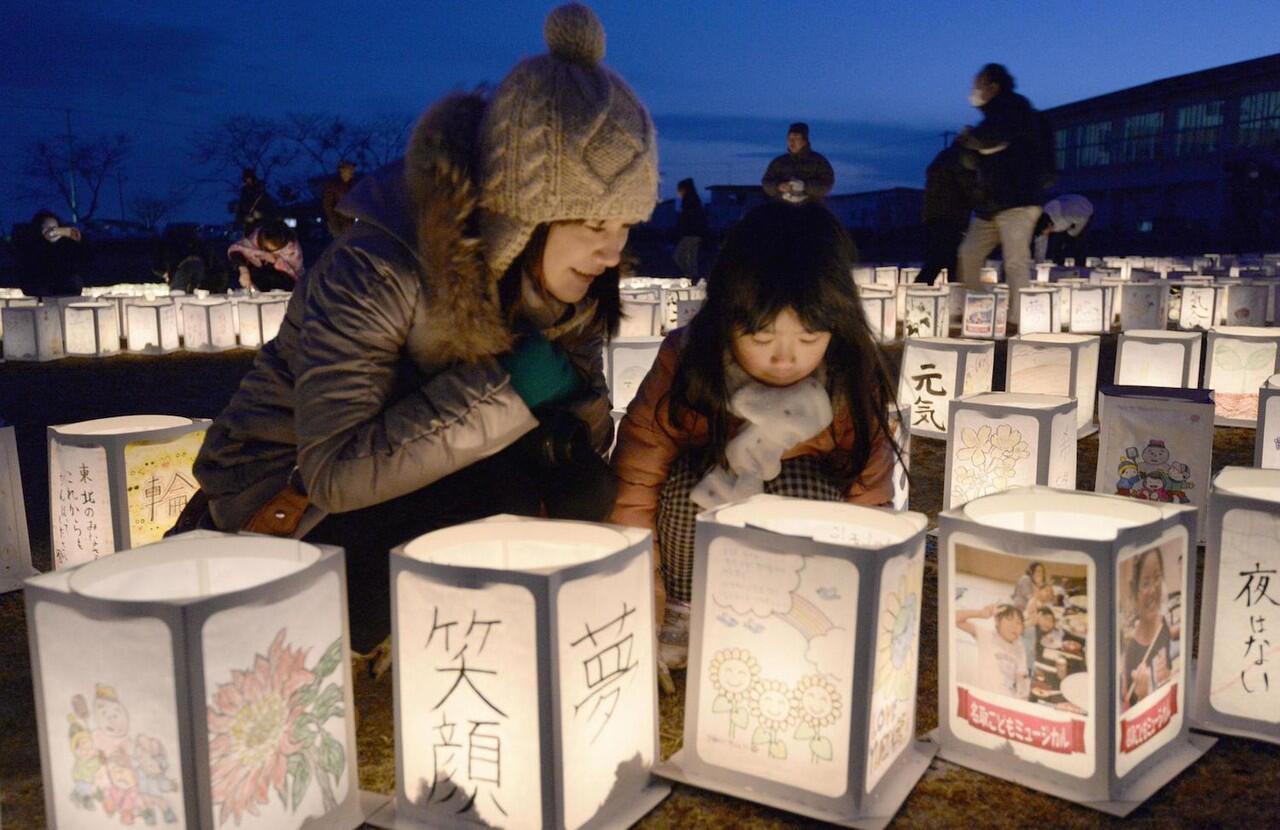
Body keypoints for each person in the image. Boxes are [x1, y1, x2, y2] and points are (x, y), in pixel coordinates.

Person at [186, 3, 657, 655]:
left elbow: (579, 437)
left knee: (572, 493)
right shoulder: (377, 269)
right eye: (594, 225)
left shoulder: (566, 285)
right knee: (497, 504)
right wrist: (512, 392)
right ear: (520, 215)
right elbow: (332, 471)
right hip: (284, 492)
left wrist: (570, 418)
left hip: (421, 479)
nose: (613, 252)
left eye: (626, 225)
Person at [609, 200, 898, 674]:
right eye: (762, 339)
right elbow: (636, 478)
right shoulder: (686, 363)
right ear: (725, 320)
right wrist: (643, 596)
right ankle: (686, 610)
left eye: (809, 339)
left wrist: (865, 597)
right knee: (690, 479)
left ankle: (796, 616)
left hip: (801, 557)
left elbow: (870, 492)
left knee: (803, 486)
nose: (785, 359)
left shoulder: (848, 378)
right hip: (697, 538)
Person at [956, 64, 1052, 324]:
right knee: (969, 253)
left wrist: (971, 140)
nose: (973, 92)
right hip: (990, 204)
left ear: (993, 87)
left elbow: (992, 141)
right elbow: (977, 158)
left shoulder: (1013, 109)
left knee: (1015, 261)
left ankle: (1020, 320)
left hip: (1018, 201)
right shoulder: (991, 119)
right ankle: (978, 309)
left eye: (978, 85)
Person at [916, 138, 976, 284]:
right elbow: (968, 188)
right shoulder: (958, 161)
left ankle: (924, 292)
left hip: (935, 217)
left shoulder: (943, 158)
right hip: (949, 217)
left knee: (944, 259)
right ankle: (922, 293)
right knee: (942, 260)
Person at [1121, 548, 1173, 711]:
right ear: (1135, 592)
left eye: (1157, 578)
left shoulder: (1163, 626)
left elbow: (1168, 674)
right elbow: (1127, 712)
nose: (1153, 590)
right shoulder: (1131, 653)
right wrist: (1142, 695)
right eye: (1145, 583)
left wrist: (1166, 678)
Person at [956, 603, 1030, 699]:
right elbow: (953, 618)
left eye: (1019, 623)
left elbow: (1021, 679)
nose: (1014, 626)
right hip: (984, 697)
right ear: (997, 621)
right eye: (1009, 620)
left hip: (1009, 700)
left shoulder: (1019, 648)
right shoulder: (986, 635)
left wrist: (1022, 699)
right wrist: (980, 613)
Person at [13, 210, 88, 297]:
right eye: (46, 228)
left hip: (66, 293)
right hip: (41, 293)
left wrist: (70, 234)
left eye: (54, 227)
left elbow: (85, 254)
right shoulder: (32, 247)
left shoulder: (67, 245)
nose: (52, 231)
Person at [761, 123, 835, 203]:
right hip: (782, 207)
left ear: (804, 141)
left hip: (811, 207)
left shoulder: (818, 161)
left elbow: (827, 183)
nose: (791, 141)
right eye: (789, 138)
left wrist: (805, 186)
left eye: (796, 138)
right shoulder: (778, 162)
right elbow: (766, 182)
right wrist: (778, 186)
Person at [227, 219, 304, 291]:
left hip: (286, 279)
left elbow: (293, 277)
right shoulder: (258, 237)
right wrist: (243, 271)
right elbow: (236, 249)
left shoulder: (292, 252)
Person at [1033, 194, 1093, 265]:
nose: (1046, 234)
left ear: (1049, 225)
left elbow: (1084, 218)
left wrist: (1072, 233)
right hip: (1064, 214)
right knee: (1057, 245)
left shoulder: (1068, 214)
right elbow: (1040, 242)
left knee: (1079, 243)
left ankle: (1080, 267)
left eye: (1046, 231)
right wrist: (1039, 263)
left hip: (1083, 210)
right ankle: (1058, 267)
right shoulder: (1042, 220)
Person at [672, 178, 707, 280]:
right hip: (693, 233)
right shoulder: (693, 200)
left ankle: (691, 276)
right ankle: (691, 276)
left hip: (690, 233)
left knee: (684, 256)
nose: (678, 193)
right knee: (688, 256)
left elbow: (688, 218)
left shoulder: (689, 201)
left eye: (679, 190)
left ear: (683, 189)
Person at [233, 168, 276, 234]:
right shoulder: (244, 193)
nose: (248, 180)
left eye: (249, 178)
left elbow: (272, 211)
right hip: (249, 228)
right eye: (246, 179)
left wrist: (261, 215)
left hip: (263, 228)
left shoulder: (262, 193)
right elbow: (240, 212)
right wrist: (245, 218)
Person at [322, 160, 358, 238]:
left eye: (352, 169)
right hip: (339, 224)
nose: (352, 171)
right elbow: (328, 206)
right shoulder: (333, 185)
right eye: (350, 169)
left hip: (351, 223)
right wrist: (335, 222)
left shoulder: (353, 185)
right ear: (342, 170)